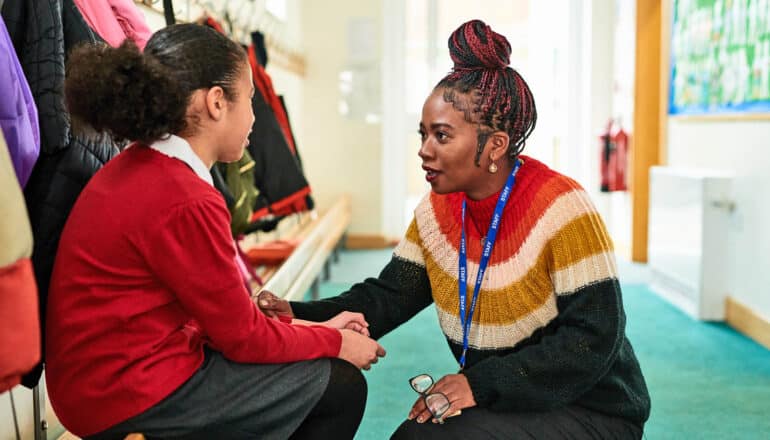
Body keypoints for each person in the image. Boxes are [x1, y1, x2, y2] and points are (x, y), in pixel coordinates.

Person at [258, 19, 651, 439]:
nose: (424, 151)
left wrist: (477, 385)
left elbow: (592, 341)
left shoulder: (562, 208)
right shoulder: (439, 210)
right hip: (510, 397)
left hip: (592, 408)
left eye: (441, 136)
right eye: (423, 134)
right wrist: (297, 314)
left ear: (495, 145)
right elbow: (387, 297)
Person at [44, 24, 385, 440]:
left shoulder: (142, 165)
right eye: (251, 101)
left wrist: (319, 329)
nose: (255, 119)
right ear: (217, 102)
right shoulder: (184, 196)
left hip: (100, 386)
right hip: (126, 395)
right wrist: (336, 345)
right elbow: (242, 339)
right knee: (340, 386)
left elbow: (222, 324)